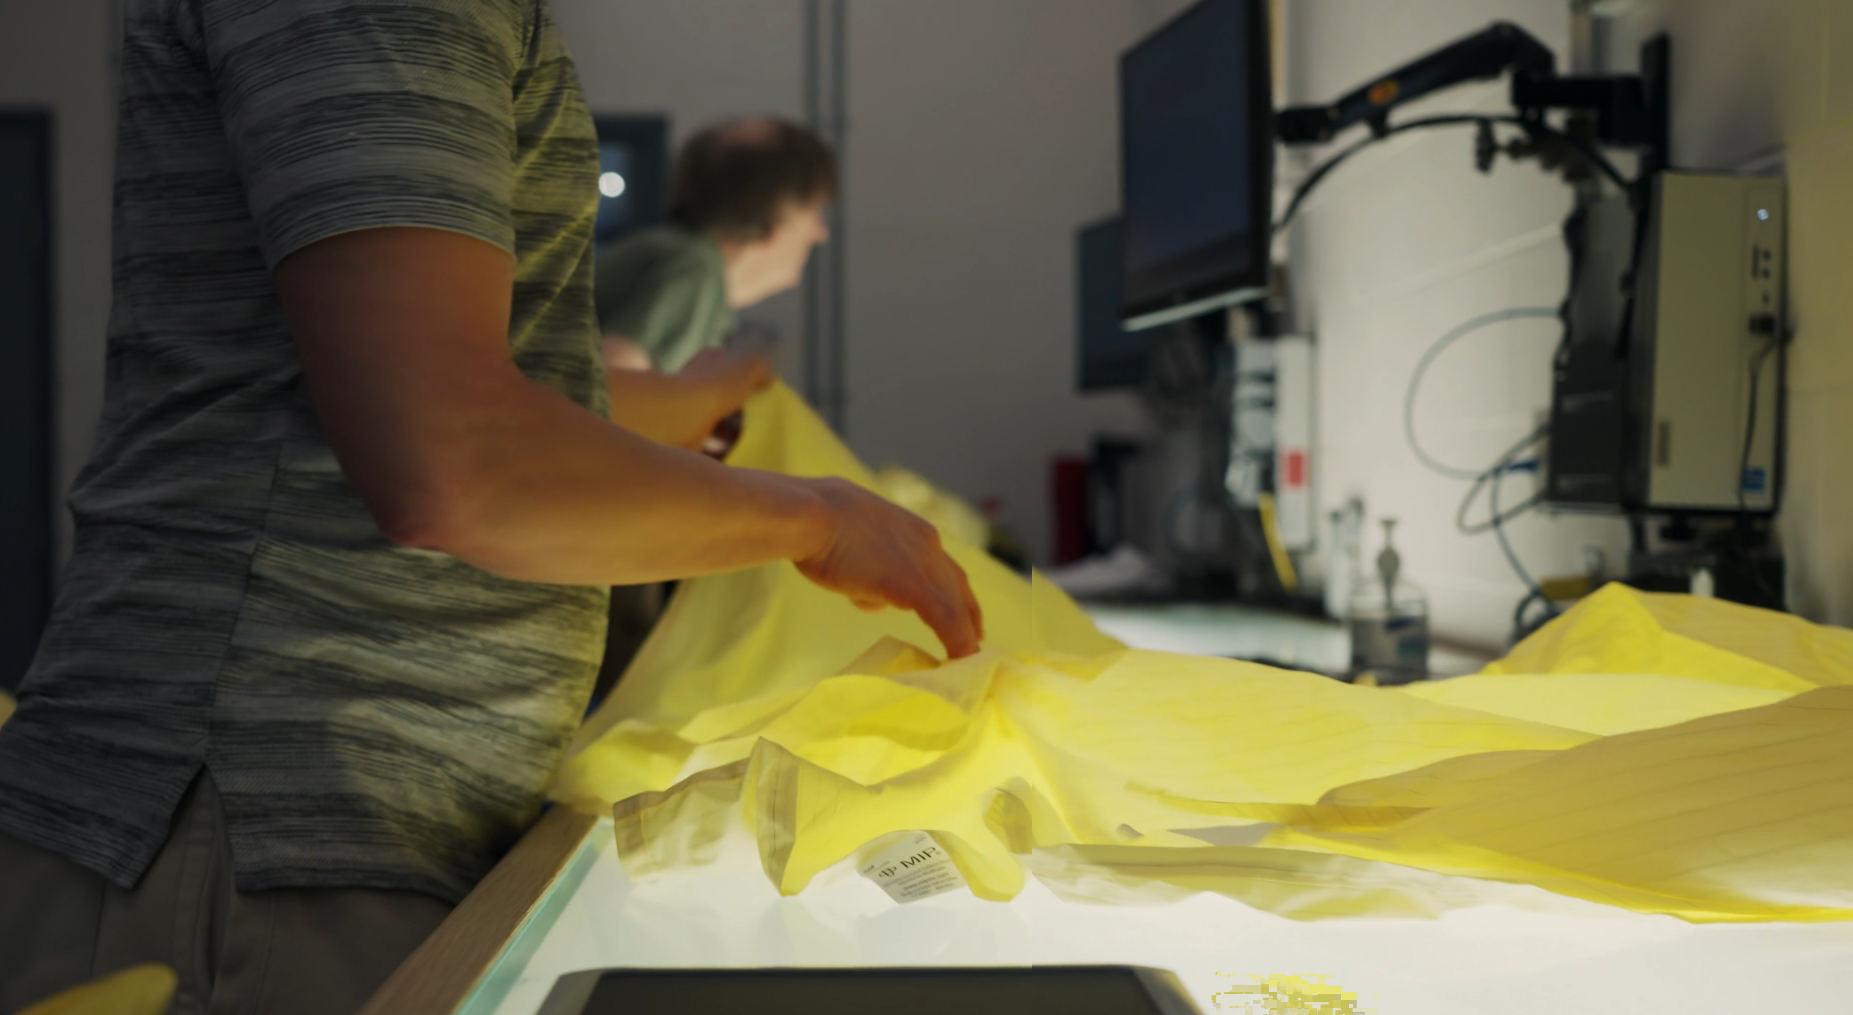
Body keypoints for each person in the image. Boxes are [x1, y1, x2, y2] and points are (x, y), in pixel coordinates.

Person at [0, 3, 982, 1014]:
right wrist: (817, 520)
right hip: (269, 825)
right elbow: (453, 460)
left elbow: (535, 400)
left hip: (315, 825)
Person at [591, 117, 836, 696]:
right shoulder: (689, 271)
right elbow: (612, 394)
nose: (820, 234)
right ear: (776, 217)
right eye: (815, 213)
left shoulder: (669, 259)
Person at [595, 117, 834, 375]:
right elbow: (616, 387)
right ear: (774, 224)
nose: (821, 233)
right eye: (814, 213)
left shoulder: (681, 257)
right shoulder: (695, 272)